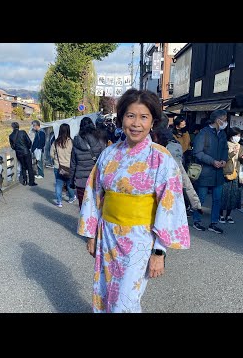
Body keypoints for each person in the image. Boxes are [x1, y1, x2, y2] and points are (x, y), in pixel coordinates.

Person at [77, 88, 190, 313]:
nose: (136, 123)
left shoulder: (160, 158)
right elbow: (94, 193)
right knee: (105, 292)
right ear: (121, 119)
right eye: (130, 116)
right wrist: (91, 234)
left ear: (153, 121)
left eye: (143, 117)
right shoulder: (108, 154)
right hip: (108, 235)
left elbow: (169, 205)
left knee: (126, 300)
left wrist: (159, 251)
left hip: (139, 238)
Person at [191, 109, 229, 234]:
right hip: (205, 171)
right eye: (224, 120)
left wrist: (224, 159)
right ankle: (197, 221)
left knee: (217, 199)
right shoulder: (203, 133)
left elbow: (225, 149)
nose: (226, 122)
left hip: (218, 173)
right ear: (218, 120)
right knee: (201, 198)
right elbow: (197, 152)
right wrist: (212, 161)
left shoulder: (222, 134)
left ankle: (214, 223)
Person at [152, 126, 203, 217]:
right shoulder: (175, 145)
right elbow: (184, 179)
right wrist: (196, 203)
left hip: (164, 186)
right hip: (172, 186)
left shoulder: (163, 149)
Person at [69, 116, 106, 208]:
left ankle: (83, 222)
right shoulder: (99, 140)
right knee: (96, 206)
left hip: (81, 180)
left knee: (83, 206)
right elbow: (104, 161)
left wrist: (71, 181)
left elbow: (73, 164)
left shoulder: (76, 141)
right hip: (96, 179)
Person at [219, 127, 243, 224]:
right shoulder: (225, 145)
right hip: (226, 173)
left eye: (239, 135)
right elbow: (222, 158)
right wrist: (232, 154)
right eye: (236, 135)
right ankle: (221, 215)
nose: (238, 137)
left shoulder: (240, 147)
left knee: (233, 195)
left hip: (236, 173)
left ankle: (229, 215)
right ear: (231, 136)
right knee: (224, 194)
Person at [49, 123, 76, 207]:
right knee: (69, 183)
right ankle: (71, 197)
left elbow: (51, 154)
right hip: (69, 166)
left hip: (58, 166)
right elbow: (74, 154)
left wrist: (56, 159)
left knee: (58, 183)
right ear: (68, 130)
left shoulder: (56, 142)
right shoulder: (71, 142)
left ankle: (59, 201)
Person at [8, 121, 37, 186]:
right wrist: (27, 148)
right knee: (29, 167)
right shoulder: (23, 132)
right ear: (18, 126)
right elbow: (29, 142)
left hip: (19, 153)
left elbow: (12, 147)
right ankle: (31, 182)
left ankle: (25, 181)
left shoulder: (11, 136)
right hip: (26, 152)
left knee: (23, 167)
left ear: (12, 127)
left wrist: (18, 149)